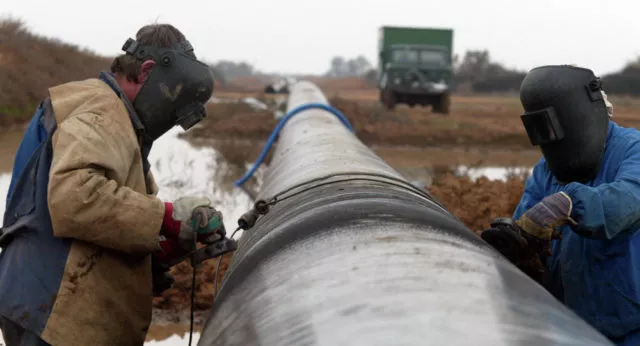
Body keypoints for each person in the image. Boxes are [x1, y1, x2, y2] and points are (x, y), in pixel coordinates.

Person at [0, 23, 222, 346]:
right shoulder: (103, 110)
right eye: (173, 107)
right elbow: (74, 197)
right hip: (55, 312)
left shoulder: (120, 123)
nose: (171, 120)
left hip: (39, 303)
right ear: (147, 71)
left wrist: (164, 245)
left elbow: (110, 219)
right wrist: (167, 216)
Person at [481, 64, 640, 346]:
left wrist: (569, 204)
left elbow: (627, 199)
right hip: (568, 328)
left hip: (631, 329)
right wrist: (517, 246)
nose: (551, 139)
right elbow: (527, 225)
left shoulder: (632, 150)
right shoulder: (547, 171)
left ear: (579, 115)